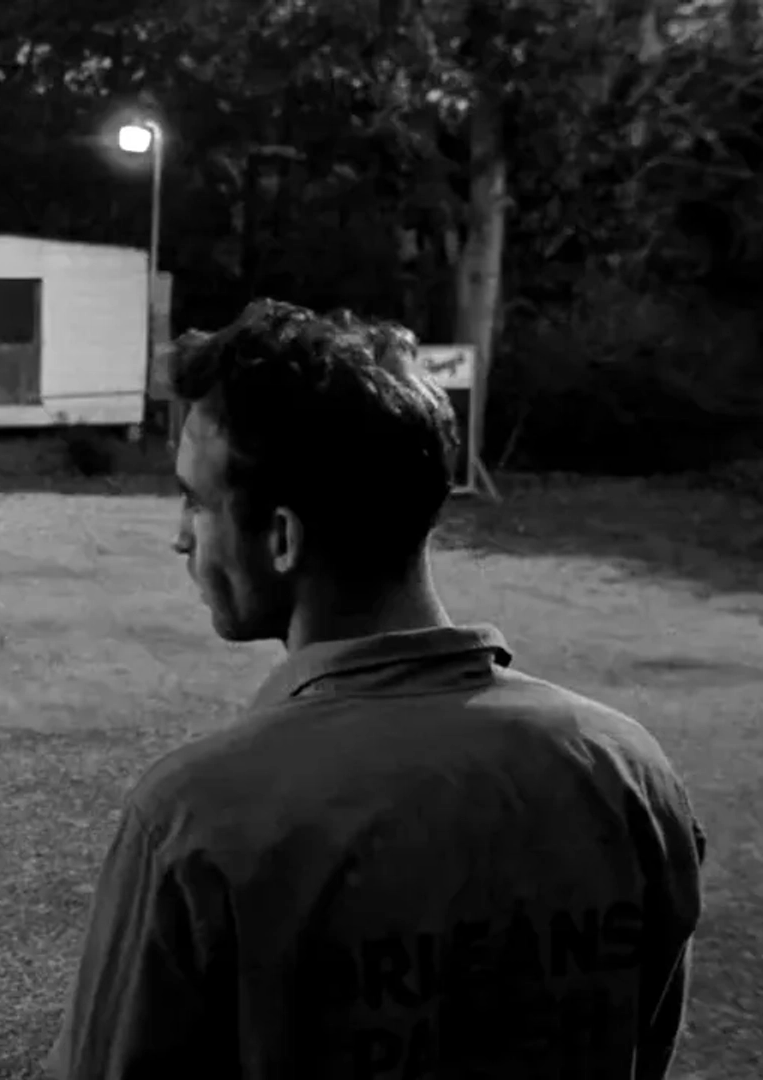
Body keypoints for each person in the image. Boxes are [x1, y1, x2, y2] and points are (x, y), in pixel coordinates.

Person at [48, 300, 706, 1080]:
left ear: (282, 538)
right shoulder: (627, 770)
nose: (180, 534)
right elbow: (645, 1044)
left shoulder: (195, 823)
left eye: (196, 500)